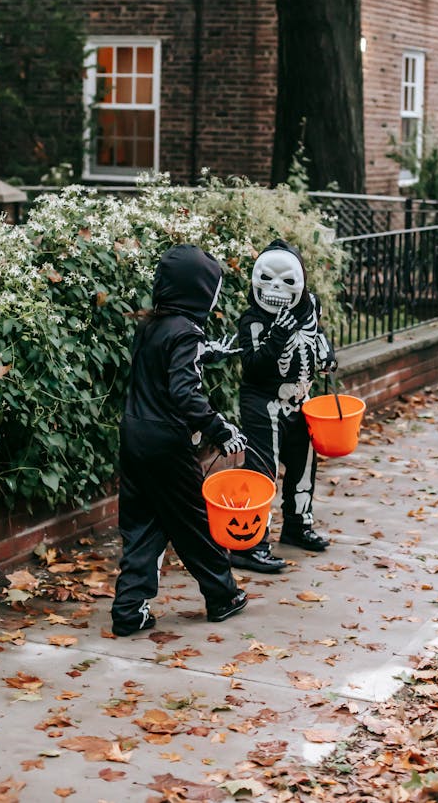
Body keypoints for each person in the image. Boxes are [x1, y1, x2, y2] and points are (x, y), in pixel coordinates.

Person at [111, 243, 248, 635]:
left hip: (134, 434)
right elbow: (185, 393)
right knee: (194, 523)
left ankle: (129, 609)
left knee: (144, 522)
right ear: (199, 292)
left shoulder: (150, 325)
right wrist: (221, 429)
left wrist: (208, 352)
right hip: (167, 442)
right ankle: (223, 596)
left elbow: (163, 368)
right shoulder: (186, 332)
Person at [232, 239, 337, 574]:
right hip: (263, 404)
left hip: (299, 401)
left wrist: (327, 356)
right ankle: (251, 544)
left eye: (287, 281)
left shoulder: (309, 307)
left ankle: (297, 524)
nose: (276, 288)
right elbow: (253, 366)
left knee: (303, 464)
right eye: (268, 279)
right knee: (262, 471)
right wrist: (277, 337)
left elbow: (318, 336)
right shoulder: (253, 319)